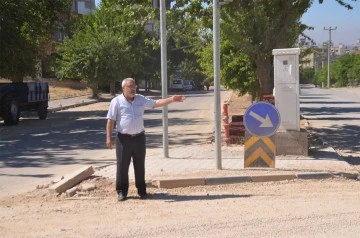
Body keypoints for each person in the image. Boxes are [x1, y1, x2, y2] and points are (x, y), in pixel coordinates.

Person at [106, 78, 185, 201]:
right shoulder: (116, 101)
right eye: (130, 86)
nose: (133, 89)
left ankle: (142, 191)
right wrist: (109, 138)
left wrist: (172, 99)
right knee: (122, 166)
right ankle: (122, 192)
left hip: (139, 138)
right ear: (123, 88)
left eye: (134, 86)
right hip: (123, 139)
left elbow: (156, 103)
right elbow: (110, 120)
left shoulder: (140, 99)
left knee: (139, 165)